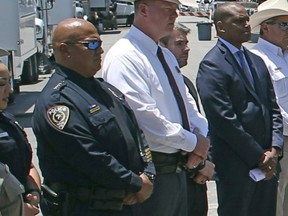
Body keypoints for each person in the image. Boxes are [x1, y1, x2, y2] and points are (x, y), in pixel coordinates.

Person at [32, 18, 155, 216]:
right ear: (65, 50)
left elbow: (137, 136)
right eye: (92, 44)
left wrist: (148, 174)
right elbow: (88, 156)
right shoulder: (57, 102)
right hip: (86, 207)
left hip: (125, 203)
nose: (100, 50)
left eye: (99, 43)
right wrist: (134, 183)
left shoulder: (105, 89)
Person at [102, 0, 210, 216]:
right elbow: (145, 119)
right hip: (155, 170)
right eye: (168, 9)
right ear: (143, 10)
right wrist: (193, 142)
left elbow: (188, 104)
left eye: (176, 9)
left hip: (180, 167)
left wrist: (200, 139)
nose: (175, 15)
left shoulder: (165, 55)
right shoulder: (125, 56)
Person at [196, 3, 284, 216]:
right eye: (239, 21)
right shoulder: (213, 65)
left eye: (247, 19)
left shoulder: (256, 61)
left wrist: (275, 148)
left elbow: (273, 107)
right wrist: (258, 155)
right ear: (220, 26)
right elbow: (223, 119)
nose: (246, 25)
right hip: (237, 165)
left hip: (268, 164)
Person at [159, 22, 215, 216]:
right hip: (174, 178)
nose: (187, 48)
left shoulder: (185, 82)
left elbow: (198, 125)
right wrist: (199, 164)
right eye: (180, 44)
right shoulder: (159, 86)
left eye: (187, 43)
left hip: (195, 181)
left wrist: (204, 160)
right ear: (162, 48)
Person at [249, 2, 288, 215]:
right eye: (284, 25)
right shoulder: (258, 58)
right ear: (266, 27)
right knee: (277, 195)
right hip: (281, 138)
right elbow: (268, 105)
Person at [0, 59, 41, 216]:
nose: (9, 90)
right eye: (1, 84)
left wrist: (34, 192)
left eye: (9, 82)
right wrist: (18, 209)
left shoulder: (9, 121)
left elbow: (28, 166)